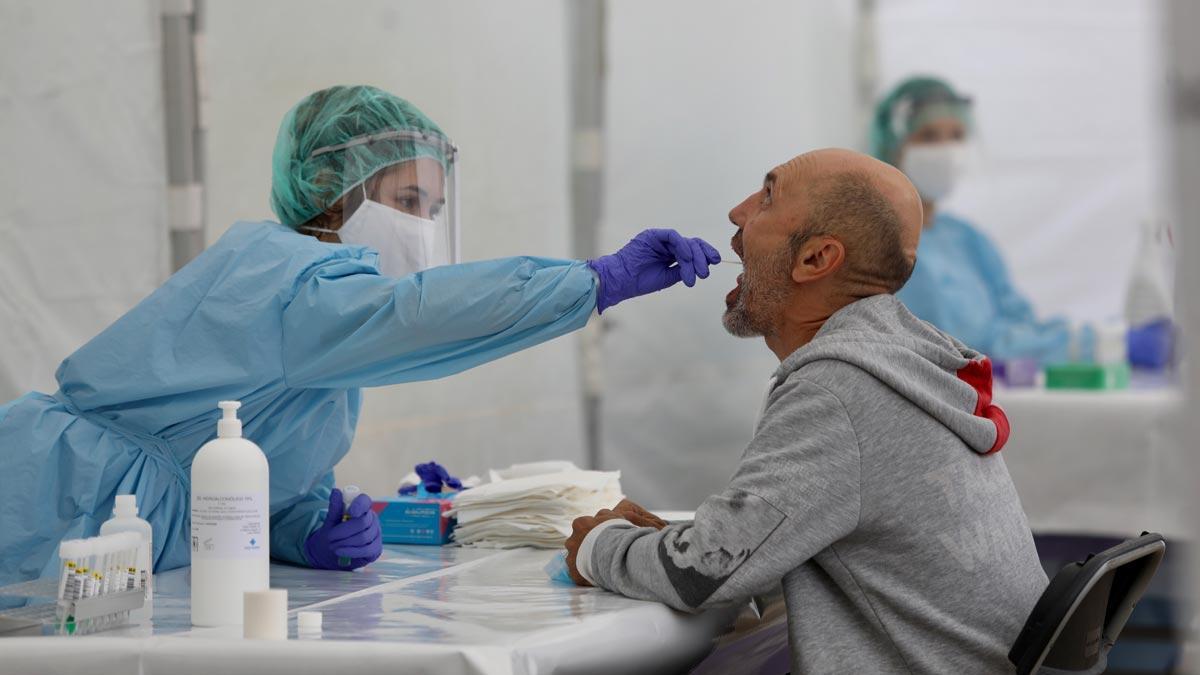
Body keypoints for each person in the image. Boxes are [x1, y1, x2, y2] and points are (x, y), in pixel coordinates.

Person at [0, 85, 720, 585]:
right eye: (409, 200)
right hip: (47, 495)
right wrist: (592, 282)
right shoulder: (287, 277)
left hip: (108, 535)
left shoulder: (329, 331)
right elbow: (421, 314)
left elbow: (249, 476)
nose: (424, 226)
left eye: (435, 206)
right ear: (331, 188)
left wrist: (304, 527)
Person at [564, 149, 1047, 673]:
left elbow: (700, 575)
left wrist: (599, 547)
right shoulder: (901, 359)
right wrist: (682, 544)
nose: (737, 212)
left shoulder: (838, 389)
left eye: (768, 195)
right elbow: (734, 553)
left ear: (816, 258)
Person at [873, 75, 1074, 364]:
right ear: (892, 146)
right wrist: (1078, 345)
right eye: (928, 136)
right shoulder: (883, 245)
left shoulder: (966, 238)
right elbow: (963, 346)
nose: (946, 150)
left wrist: (1083, 338)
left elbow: (1020, 320)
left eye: (957, 136)